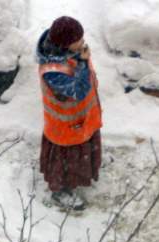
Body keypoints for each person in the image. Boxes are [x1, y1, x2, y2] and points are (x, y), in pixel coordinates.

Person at [36, 16, 103, 211]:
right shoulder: (52, 71)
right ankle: (61, 191)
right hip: (65, 129)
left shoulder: (71, 53)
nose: (83, 43)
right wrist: (82, 63)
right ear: (65, 44)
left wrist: (81, 60)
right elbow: (78, 92)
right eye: (78, 40)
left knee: (81, 151)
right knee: (65, 162)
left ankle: (82, 173)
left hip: (81, 121)